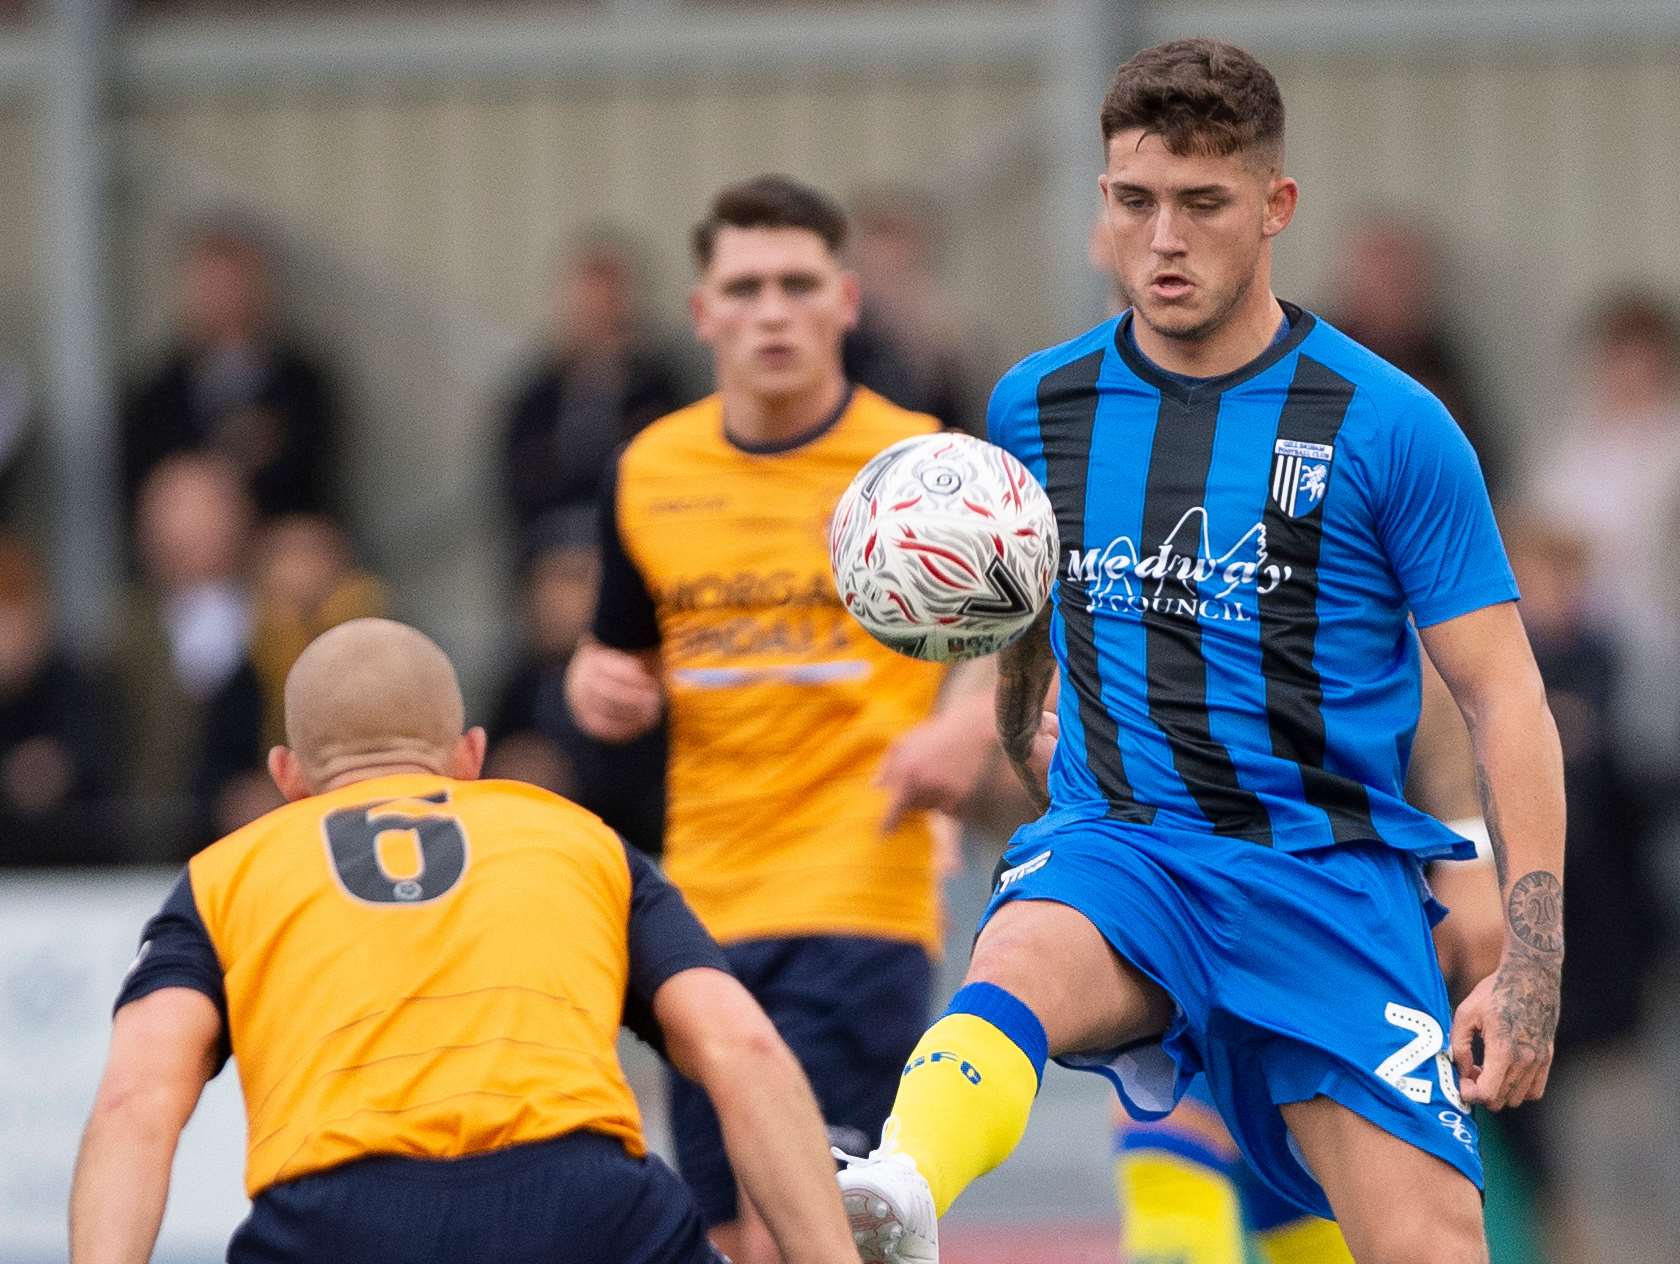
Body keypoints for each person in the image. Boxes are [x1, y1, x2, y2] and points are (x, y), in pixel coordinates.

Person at [836, 39, 1564, 1264]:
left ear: (1274, 207)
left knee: (1431, 1242)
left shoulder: (1392, 426)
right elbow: (1027, 614)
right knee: (1021, 948)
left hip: (1327, 887)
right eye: (1134, 201)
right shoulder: (1034, 407)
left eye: (1201, 203)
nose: (1164, 238)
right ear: (1104, 209)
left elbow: (1502, 692)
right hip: (1131, 846)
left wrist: (1531, 951)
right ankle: (901, 1182)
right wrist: (1016, 728)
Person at [68, 617, 859, 1264]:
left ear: (287, 779)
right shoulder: (577, 840)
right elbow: (743, 1049)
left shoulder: (224, 875)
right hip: (586, 1212)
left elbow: (137, 1099)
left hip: (335, 1227)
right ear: (470, 758)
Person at [564, 175, 986, 1264]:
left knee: (816, 1228)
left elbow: (1022, 635)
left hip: (859, 891)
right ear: (703, 313)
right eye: (744, 287)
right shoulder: (650, 470)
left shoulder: (918, 465)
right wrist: (591, 684)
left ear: (846, 301)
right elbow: (613, 654)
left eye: (798, 284)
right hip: (699, 903)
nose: (772, 310)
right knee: (725, 1237)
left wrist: (966, 723)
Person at [121, 219, 338, 524]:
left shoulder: (302, 380)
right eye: (212, 284)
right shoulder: (159, 391)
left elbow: (312, 463)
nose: (224, 296)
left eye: (233, 281)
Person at [499, 228, 694, 567]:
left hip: (640, 535)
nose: (598, 311)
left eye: (608, 298)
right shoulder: (537, 395)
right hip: (554, 544)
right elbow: (517, 483)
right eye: (588, 298)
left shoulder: (661, 386)